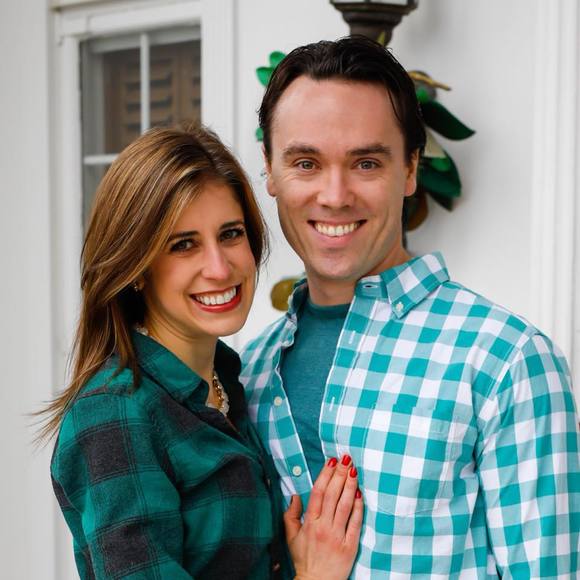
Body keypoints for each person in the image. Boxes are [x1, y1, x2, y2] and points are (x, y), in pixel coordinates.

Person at [240, 36, 580, 578]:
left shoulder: (505, 360)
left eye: (366, 163)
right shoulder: (249, 372)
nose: (335, 195)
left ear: (410, 169)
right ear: (270, 170)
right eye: (306, 162)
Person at [44, 124, 363, 579]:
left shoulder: (233, 381)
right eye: (183, 245)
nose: (219, 267)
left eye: (230, 234)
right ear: (136, 267)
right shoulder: (114, 415)